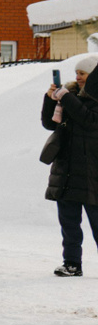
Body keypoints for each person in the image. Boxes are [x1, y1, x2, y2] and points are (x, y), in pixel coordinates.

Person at [45, 55, 98, 277]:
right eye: (76, 73)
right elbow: (49, 123)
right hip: (66, 170)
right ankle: (72, 263)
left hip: (91, 172)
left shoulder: (89, 99)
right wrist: (50, 99)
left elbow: (89, 120)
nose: (78, 77)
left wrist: (66, 98)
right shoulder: (70, 96)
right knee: (69, 223)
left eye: (83, 73)